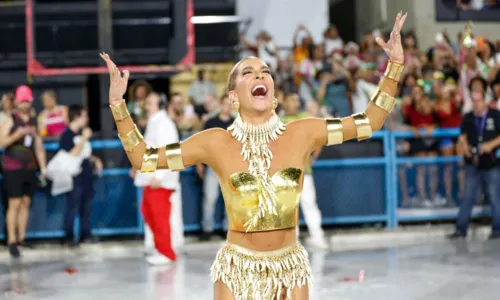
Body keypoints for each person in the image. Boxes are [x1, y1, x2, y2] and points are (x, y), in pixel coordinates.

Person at [100, 12, 407, 299]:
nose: (260, 75)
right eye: (248, 72)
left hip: (291, 270)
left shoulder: (302, 132)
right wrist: (118, 107)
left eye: (265, 72)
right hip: (237, 271)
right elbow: (144, 160)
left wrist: (393, 68)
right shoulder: (214, 141)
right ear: (232, 96)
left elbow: (369, 123)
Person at [132, 92, 181, 265]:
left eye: (150, 103)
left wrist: (160, 176)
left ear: (159, 105)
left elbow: (171, 150)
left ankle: (166, 252)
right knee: (148, 212)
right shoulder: (155, 123)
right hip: (152, 177)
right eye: (147, 103)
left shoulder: (164, 124)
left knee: (160, 216)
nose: (147, 106)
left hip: (160, 179)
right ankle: (161, 248)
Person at [450, 77, 500, 239]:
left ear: (484, 100)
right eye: (474, 101)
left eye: (479, 101)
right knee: (468, 196)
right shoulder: (468, 117)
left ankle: (497, 229)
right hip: (473, 162)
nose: (476, 104)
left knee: (494, 196)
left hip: (491, 162)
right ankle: (461, 228)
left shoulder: (495, 115)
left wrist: (490, 145)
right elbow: (462, 136)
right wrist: (463, 145)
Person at [0, 85, 47, 258]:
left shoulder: (34, 121)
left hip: (29, 167)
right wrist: (16, 134)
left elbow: (38, 145)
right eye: (22, 101)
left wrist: (43, 168)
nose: (25, 104)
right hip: (13, 167)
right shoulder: (10, 120)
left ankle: (22, 238)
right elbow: (1, 142)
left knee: (26, 203)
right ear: (17, 102)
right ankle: (11, 240)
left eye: (27, 101)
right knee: (14, 203)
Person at [281, 93, 329, 249]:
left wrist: (314, 156)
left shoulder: (306, 117)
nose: (296, 102)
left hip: (304, 171)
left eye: (297, 99)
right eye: (292, 99)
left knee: (309, 203)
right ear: (285, 102)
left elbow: (320, 136)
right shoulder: (277, 121)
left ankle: (317, 237)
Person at [59, 105, 103, 247]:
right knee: (72, 206)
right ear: (77, 116)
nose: (87, 119)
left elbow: (85, 154)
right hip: (74, 177)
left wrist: (95, 160)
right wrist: (84, 139)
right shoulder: (67, 135)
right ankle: (69, 236)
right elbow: (72, 154)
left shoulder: (80, 134)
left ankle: (85, 234)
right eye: (84, 116)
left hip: (86, 175)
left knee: (86, 206)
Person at [196, 94, 235, 241]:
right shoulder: (211, 122)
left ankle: (228, 229)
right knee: (209, 198)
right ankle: (207, 229)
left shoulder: (237, 123)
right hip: (213, 166)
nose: (228, 107)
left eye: (231, 104)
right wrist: (199, 163)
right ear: (220, 104)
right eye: (226, 104)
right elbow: (201, 143)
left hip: (231, 167)